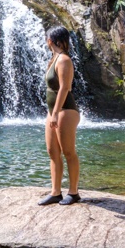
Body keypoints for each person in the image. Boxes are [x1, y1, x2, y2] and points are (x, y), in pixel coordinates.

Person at [38, 26, 81, 205]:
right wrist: (52, 113)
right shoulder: (54, 58)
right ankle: (56, 192)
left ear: (50, 40)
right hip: (54, 111)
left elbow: (65, 88)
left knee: (68, 152)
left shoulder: (64, 59)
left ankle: (74, 192)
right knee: (53, 151)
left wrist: (55, 113)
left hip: (65, 111)